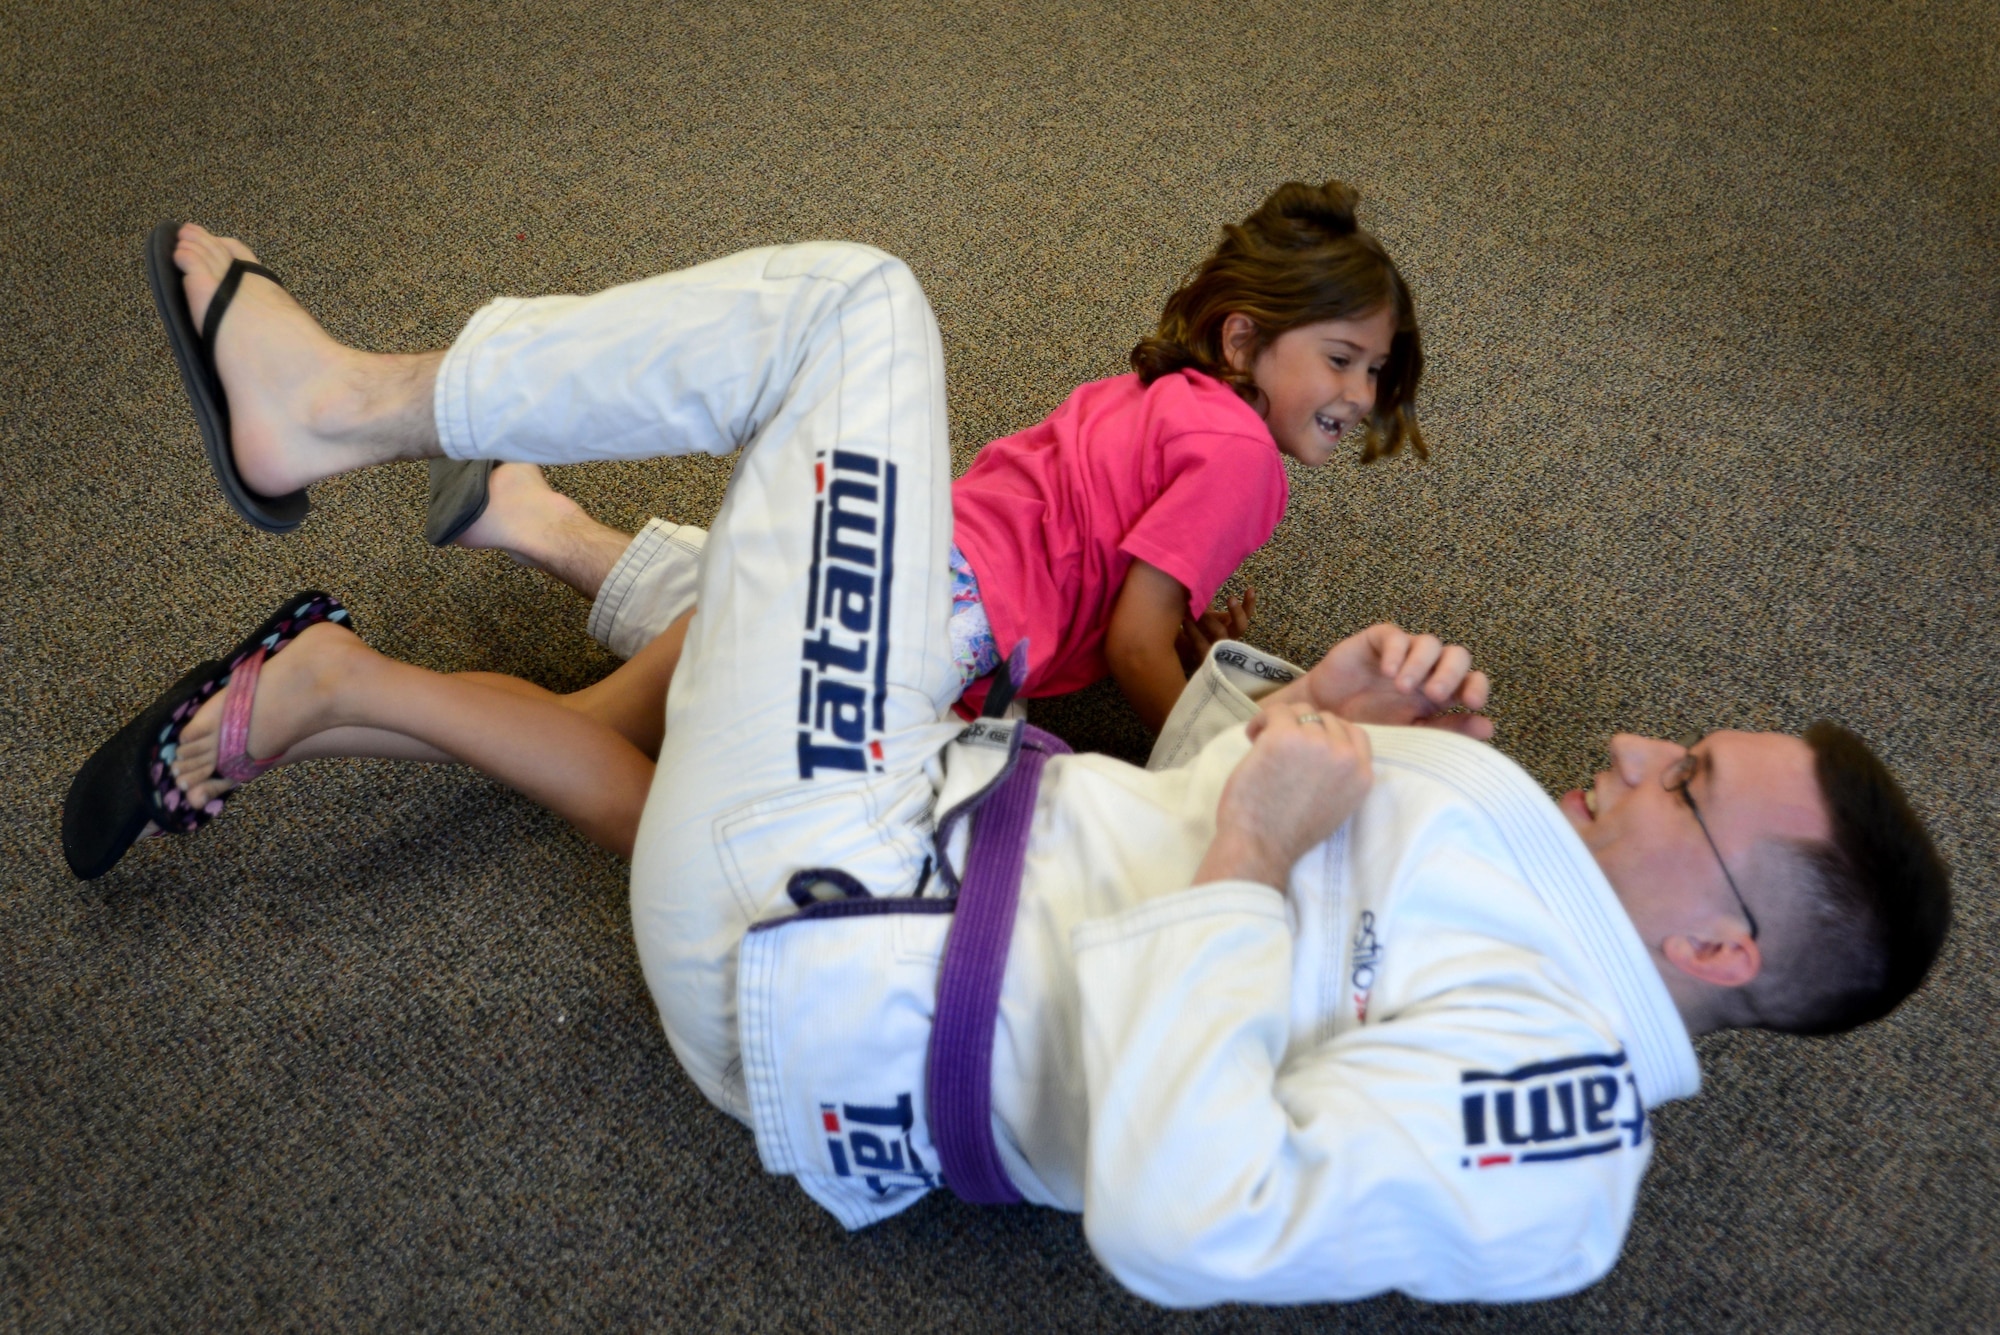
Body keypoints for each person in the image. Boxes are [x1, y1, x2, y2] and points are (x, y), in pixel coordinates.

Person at [68, 222, 1951, 1307]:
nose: (1635, 742)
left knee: (852, 314)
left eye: (1691, 779)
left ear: (1720, 947)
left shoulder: (1563, 1144)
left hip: (848, 914)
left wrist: (1258, 838)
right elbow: (1188, 825)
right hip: (938, 795)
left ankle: (332, 414)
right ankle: (368, 655)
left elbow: (1193, 1208)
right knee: (764, 575)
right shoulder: (1536, 901)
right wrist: (1321, 721)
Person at [425, 178, 1425, 732]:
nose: (1359, 394)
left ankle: (522, 523)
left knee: (730, 626)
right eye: (1340, 359)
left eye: (1376, 370)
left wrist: (1179, 634)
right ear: (1243, 340)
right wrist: (1211, 753)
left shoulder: (1165, 394)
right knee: (598, 729)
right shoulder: (1248, 464)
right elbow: (1131, 643)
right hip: (934, 625)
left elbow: (1104, 561)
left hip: (902, 542)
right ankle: (372, 699)